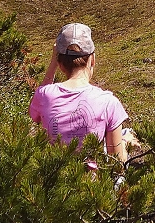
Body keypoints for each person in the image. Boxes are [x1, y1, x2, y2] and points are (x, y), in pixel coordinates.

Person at [30, 23, 131, 162]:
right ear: (92, 59)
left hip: (52, 181)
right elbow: (117, 162)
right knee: (125, 136)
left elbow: (38, 105)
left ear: (60, 64)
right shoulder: (108, 102)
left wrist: (53, 60)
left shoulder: (44, 95)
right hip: (91, 183)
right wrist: (126, 142)